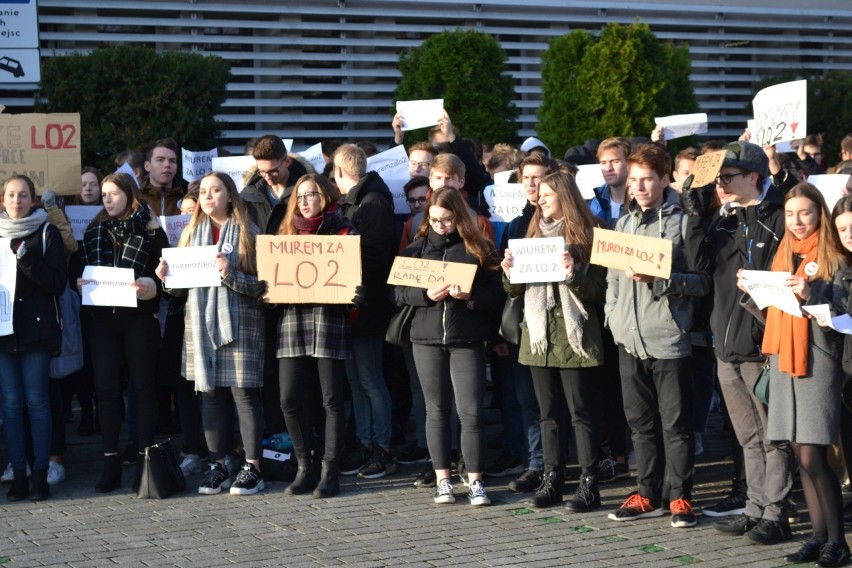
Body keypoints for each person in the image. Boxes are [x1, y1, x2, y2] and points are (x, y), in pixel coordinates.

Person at [682, 141, 798, 543]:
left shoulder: (777, 216)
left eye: (728, 177)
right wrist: (697, 212)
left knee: (773, 435)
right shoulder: (724, 220)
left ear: (754, 177)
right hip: (725, 345)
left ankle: (777, 512)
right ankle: (755, 507)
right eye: (718, 179)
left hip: (763, 345)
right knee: (748, 436)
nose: (721, 185)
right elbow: (698, 264)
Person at [604, 143, 711, 529]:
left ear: (665, 179)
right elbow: (613, 280)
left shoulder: (684, 223)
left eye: (647, 179)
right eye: (634, 180)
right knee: (641, 425)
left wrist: (661, 280)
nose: (639, 187)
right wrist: (612, 317)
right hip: (628, 339)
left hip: (669, 339)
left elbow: (702, 284)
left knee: (676, 424)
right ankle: (647, 493)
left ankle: (680, 495)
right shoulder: (622, 225)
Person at [752, 183, 848, 566]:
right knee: (797, 452)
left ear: (819, 214)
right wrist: (755, 292)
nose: (797, 221)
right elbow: (774, 313)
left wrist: (812, 296)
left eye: (805, 213)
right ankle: (818, 536)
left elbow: (841, 317)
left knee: (813, 456)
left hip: (817, 363)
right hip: (783, 363)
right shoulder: (783, 252)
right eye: (790, 214)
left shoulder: (834, 259)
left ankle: (838, 542)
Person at [155, 172, 267, 496]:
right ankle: (218, 464)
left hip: (241, 324)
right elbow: (178, 292)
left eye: (215, 190)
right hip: (202, 327)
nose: (207, 196)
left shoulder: (249, 233)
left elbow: (262, 287)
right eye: (203, 191)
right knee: (211, 395)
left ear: (230, 196)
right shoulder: (190, 233)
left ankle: (253, 467)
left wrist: (230, 275)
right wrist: (166, 278)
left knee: (243, 395)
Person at [501, 172, 606, 512]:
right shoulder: (531, 234)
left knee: (581, 413)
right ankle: (552, 479)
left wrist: (573, 274)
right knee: (547, 415)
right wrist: (509, 272)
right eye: (539, 195)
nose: (540, 199)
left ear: (565, 197)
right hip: (539, 334)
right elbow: (516, 291)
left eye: (548, 194)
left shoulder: (590, 236)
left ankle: (589, 484)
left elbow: (599, 293)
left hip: (576, 337)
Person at [395, 187, 504, 506]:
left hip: (466, 338)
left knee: (471, 412)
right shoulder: (415, 251)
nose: (441, 225)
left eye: (447, 220)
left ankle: (476, 481)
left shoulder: (478, 249)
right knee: (436, 410)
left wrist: (469, 297)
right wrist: (425, 295)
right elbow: (398, 294)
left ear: (459, 217)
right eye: (434, 220)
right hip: (425, 338)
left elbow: (496, 296)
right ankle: (442, 479)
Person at [78, 172, 168, 493]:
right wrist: (81, 285)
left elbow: (165, 279)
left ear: (129, 195)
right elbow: (82, 272)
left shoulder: (152, 231)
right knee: (106, 390)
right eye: (104, 194)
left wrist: (153, 287)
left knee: (142, 389)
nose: (107, 199)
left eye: (114, 193)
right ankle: (110, 462)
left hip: (139, 319)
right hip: (103, 322)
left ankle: (145, 463)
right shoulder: (93, 231)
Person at [273, 173, 356, 499]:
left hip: (328, 319)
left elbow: (354, 276)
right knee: (288, 398)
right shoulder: (284, 233)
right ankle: (304, 465)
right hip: (292, 321)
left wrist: (356, 292)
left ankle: (329, 470)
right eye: (301, 196)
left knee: (332, 399)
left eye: (312, 195)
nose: (306, 201)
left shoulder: (343, 230)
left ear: (325, 197)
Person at [494, 153, 558, 494]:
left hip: (560, 324)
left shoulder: (572, 221)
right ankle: (537, 464)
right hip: (526, 326)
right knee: (528, 399)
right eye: (527, 178)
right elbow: (509, 286)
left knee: (557, 402)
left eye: (539, 177)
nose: (532, 184)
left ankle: (558, 464)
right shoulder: (516, 226)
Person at [333, 143, 398, 478]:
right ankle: (365, 442)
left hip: (366, 307)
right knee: (356, 382)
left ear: (341, 172)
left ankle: (382, 446)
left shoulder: (372, 203)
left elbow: (372, 258)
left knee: (370, 379)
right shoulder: (357, 201)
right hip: (352, 307)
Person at [0, 175, 66, 501]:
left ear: (33, 199)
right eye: (11, 195)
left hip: (36, 332)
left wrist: (26, 258)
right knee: (10, 406)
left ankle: (41, 474)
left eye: (23, 195)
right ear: (3, 199)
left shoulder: (46, 232)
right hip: (3, 333)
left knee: (37, 403)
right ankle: (19, 475)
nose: (16, 200)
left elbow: (57, 284)